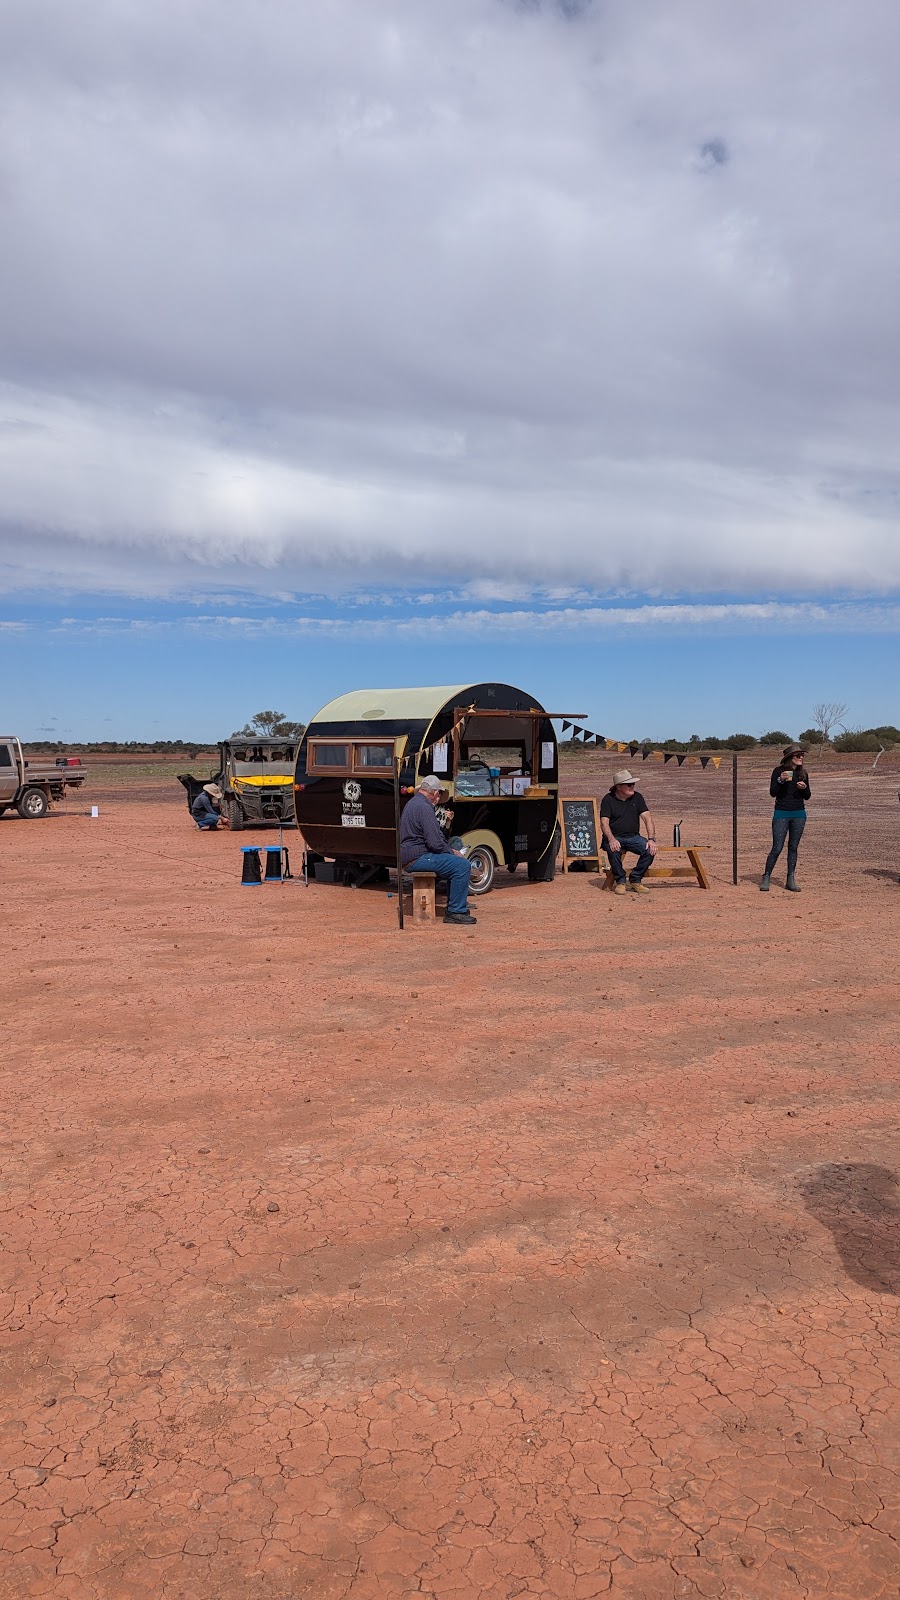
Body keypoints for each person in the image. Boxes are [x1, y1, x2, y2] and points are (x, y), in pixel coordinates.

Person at [399, 775, 475, 925]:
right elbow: (435, 843)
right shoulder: (425, 807)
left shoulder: (413, 803)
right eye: (439, 794)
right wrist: (453, 853)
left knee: (454, 857)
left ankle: (456, 906)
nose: (439, 797)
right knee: (462, 865)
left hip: (412, 855)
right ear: (435, 793)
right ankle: (455, 911)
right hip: (418, 857)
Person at [599, 768, 659, 896]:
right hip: (614, 837)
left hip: (633, 837)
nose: (633, 787)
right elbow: (604, 823)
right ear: (619, 787)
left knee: (649, 850)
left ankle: (635, 879)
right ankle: (620, 881)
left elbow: (647, 818)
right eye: (629, 784)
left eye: (633, 784)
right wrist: (611, 839)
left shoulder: (637, 797)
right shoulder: (608, 799)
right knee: (614, 849)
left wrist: (651, 839)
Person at [760, 744, 810, 892]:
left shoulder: (803, 773)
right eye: (798, 756)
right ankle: (766, 877)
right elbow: (773, 793)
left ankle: (790, 879)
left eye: (802, 756)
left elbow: (807, 796)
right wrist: (780, 781)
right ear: (790, 758)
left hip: (799, 814)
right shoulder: (779, 771)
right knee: (777, 847)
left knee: (793, 847)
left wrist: (804, 788)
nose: (801, 758)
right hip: (781, 813)